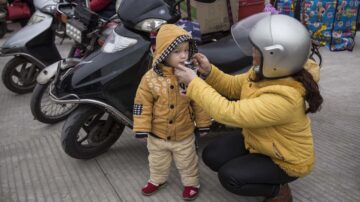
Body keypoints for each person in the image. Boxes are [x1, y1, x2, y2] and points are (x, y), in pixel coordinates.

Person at [174, 13, 323, 202]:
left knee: (231, 177)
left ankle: (277, 190)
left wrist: (193, 83)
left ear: (275, 56)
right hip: (260, 139)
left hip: (284, 159)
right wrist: (209, 70)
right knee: (212, 155)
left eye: (257, 50)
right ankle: (255, 168)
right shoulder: (268, 71)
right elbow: (233, 86)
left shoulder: (285, 98)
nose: (252, 53)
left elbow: (228, 112)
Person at [132, 24, 212, 201]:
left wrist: (204, 123)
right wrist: (141, 128)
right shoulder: (150, 79)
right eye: (177, 51)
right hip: (157, 134)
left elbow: (199, 102)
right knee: (157, 161)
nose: (183, 55)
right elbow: (141, 104)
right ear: (163, 52)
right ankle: (157, 179)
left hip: (183, 134)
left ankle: (192, 183)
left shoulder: (190, 76)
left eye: (185, 50)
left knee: (187, 162)